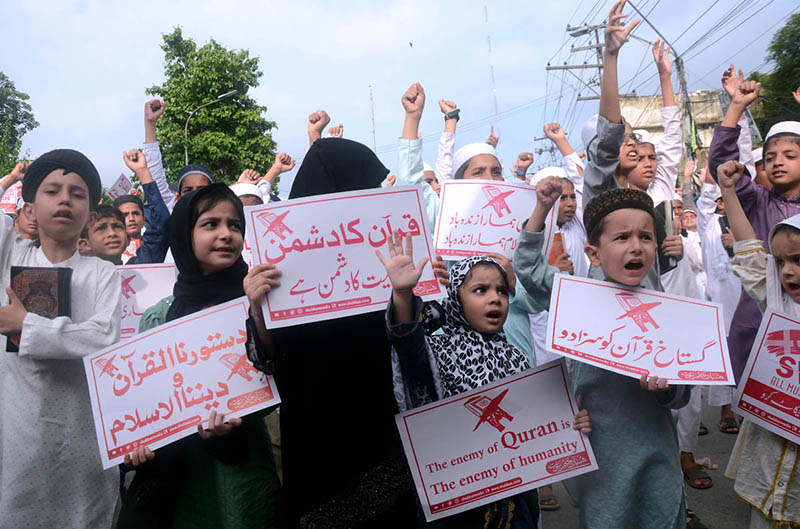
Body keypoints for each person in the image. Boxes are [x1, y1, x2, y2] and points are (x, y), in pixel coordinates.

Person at [245, 137, 420, 528]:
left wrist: (404, 290)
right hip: (313, 430)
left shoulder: (386, 253)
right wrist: (258, 307)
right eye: (366, 185)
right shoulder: (280, 256)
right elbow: (268, 358)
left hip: (377, 418)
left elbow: (409, 336)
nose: (374, 196)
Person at [378, 235, 591, 528]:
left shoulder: (515, 357)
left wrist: (570, 424)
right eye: (480, 290)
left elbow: (535, 425)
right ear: (455, 298)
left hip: (512, 505)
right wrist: (402, 294)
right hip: (458, 507)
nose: (495, 298)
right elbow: (410, 353)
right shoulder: (439, 350)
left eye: (502, 291)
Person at [514, 178, 691, 529]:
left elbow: (685, 390)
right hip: (601, 452)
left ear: (657, 247)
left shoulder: (667, 310)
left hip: (657, 448)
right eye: (622, 238)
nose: (636, 247)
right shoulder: (577, 299)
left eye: (645, 237)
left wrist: (669, 388)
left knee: (663, 515)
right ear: (594, 253)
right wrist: (541, 210)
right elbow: (530, 269)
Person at [117, 183, 279, 529]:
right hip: (178, 479)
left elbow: (273, 378)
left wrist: (258, 312)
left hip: (242, 472)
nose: (226, 234)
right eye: (211, 224)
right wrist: (137, 444)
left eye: (235, 225)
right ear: (184, 234)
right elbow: (144, 407)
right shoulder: (158, 318)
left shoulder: (258, 303)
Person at [0, 149, 122, 528]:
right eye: (52, 191)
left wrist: (27, 325)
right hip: (18, 432)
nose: (65, 199)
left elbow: (103, 340)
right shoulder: (7, 256)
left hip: (83, 434)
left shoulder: (103, 273)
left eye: (77, 193)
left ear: (91, 212)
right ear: (30, 207)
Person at [717, 158, 800, 529]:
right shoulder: (775, 302)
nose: (786, 271)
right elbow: (749, 252)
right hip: (766, 474)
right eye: (780, 261)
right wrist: (729, 192)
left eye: (797, 260)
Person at [578, 3, 682, 291]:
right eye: (622, 237)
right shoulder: (600, 193)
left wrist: (671, 251)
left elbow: (673, 146)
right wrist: (610, 56)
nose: (632, 144)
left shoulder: (651, 191)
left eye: (633, 137)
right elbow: (609, 138)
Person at [708, 69, 800, 384]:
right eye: (770, 156)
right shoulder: (756, 200)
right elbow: (722, 164)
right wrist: (736, 106)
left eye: (789, 155)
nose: (777, 162)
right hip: (758, 322)